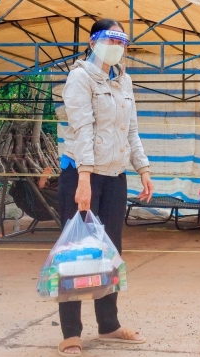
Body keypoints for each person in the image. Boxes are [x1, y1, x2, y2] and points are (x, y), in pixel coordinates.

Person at [55, 18, 154, 357]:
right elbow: (81, 128)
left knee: (110, 252)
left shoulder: (124, 81)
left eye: (123, 41)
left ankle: (108, 324)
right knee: (76, 253)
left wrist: (143, 168)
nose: (119, 46)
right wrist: (83, 179)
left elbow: (132, 131)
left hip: (115, 175)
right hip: (82, 173)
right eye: (112, 39)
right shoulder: (80, 77)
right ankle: (70, 333)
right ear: (95, 41)